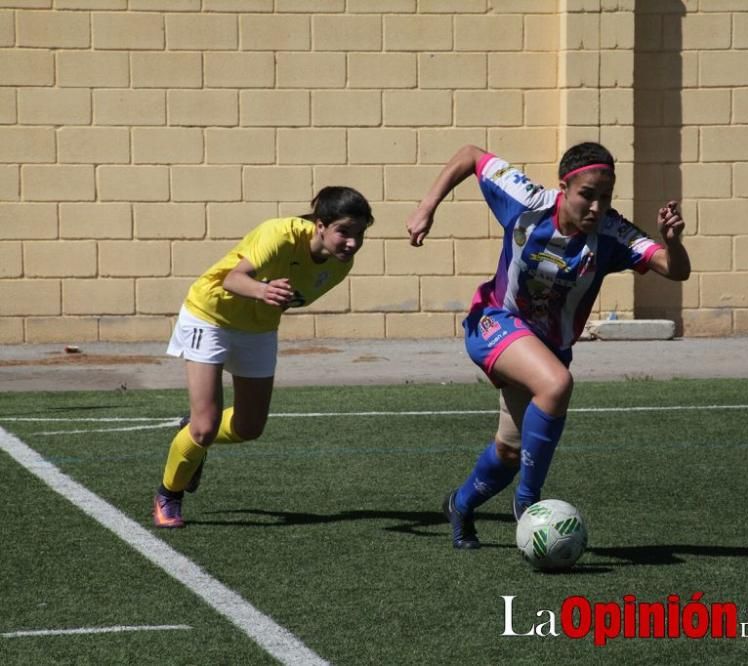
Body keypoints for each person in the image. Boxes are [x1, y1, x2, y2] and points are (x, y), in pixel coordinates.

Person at [406, 142, 691, 549]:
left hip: (546, 347)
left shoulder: (613, 234)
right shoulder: (527, 201)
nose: (596, 207)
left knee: (508, 451)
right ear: (564, 188)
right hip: (494, 323)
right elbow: (470, 155)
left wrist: (673, 241)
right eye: (587, 195)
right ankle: (528, 505)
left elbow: (674, 270)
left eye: (605, 197)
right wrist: (426, 207)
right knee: (556, 384)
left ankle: (460, 505)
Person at [152, 186, 374, 528]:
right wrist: (263, 290)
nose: (352, 243)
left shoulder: (340, 265)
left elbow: (294, 297)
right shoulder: (279, 235)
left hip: (257, 328)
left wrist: (269, 298)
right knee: (207, 427)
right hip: (209, 315)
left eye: (359, 234)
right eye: (344, 232)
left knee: (249, 427)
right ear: (319, 225)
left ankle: (191, 430)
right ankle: (169, 494)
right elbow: (231, 279)